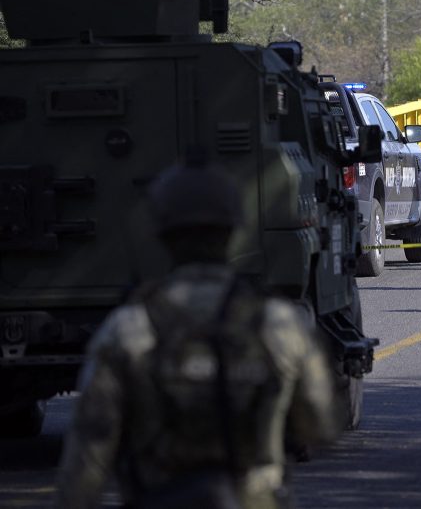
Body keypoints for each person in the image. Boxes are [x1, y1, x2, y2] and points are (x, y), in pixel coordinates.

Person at [54, 158, 335, 509]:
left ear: (163, 236)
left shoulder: (129, 329)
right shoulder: (276, 323)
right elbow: (320, 425)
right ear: (233, 230)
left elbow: (88, 455)